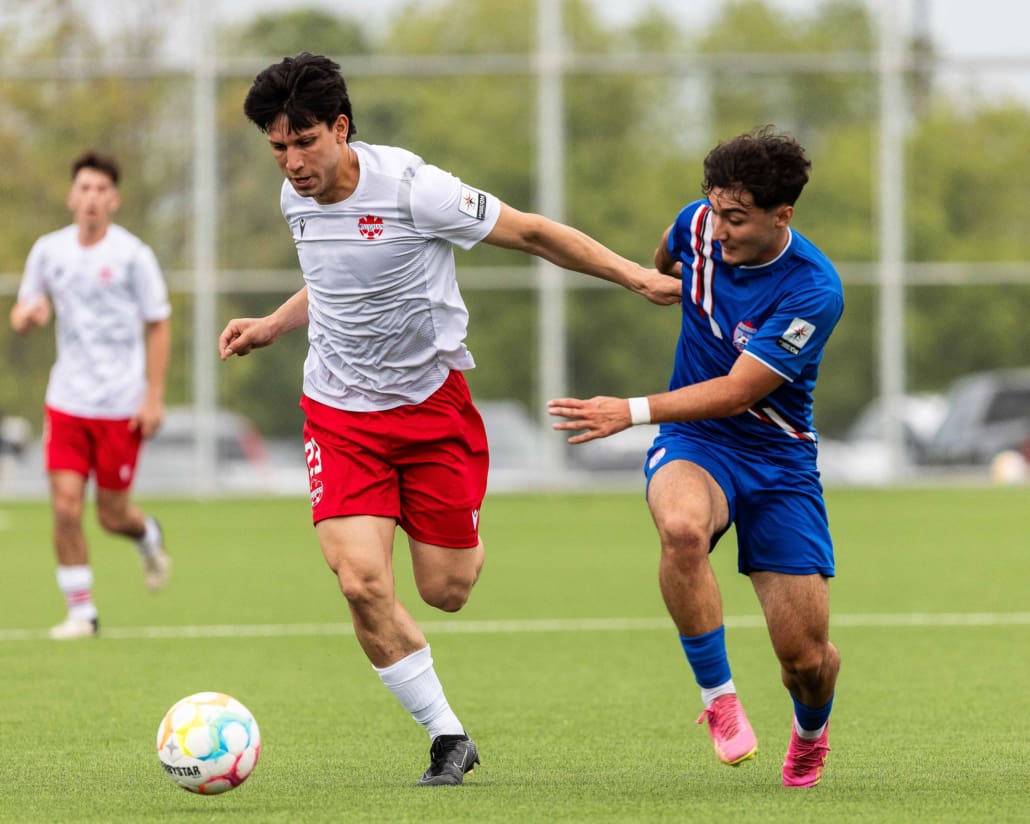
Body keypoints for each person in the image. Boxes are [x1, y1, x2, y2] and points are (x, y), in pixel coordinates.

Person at [219, 52, 681, 787]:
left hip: (432, 412)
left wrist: (633, 275)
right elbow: (330, 284)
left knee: (447, 590)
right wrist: (276, 324)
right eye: (278, 146)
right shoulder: (293, 198)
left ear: (341, 128)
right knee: (362, 582)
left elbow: (530, 232)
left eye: (305, 141)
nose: (293, 162)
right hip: (339, 415)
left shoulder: (415, 190)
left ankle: (435, 525)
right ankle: (447, 736)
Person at [549, 127, 843, 789]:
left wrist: (630, 410)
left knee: (806, 660)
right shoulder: (697, 224)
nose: (717, 231)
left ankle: (811, 732)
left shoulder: (813, 291)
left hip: (777, 462)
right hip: (696, 443)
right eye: (713, 211)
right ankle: (720, 700)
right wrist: (660, 279)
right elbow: (669, 249)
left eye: (736, 219)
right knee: (681, 529)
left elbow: (740, 392)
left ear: (781, 216)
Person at [10, 150, 172, 640]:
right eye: (84, 189)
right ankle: (82, 613)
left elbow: (158, 323)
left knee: (111, 514)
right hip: (68, 400)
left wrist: (154, 395)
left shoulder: (133, 256)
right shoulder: (48, 251)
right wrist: (29, 318)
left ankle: (147, 535)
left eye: (101, 190)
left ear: (114, 200)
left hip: (121, 404)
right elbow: (21, 313)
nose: (92, 198)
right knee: (64, 506)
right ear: (71, 196)